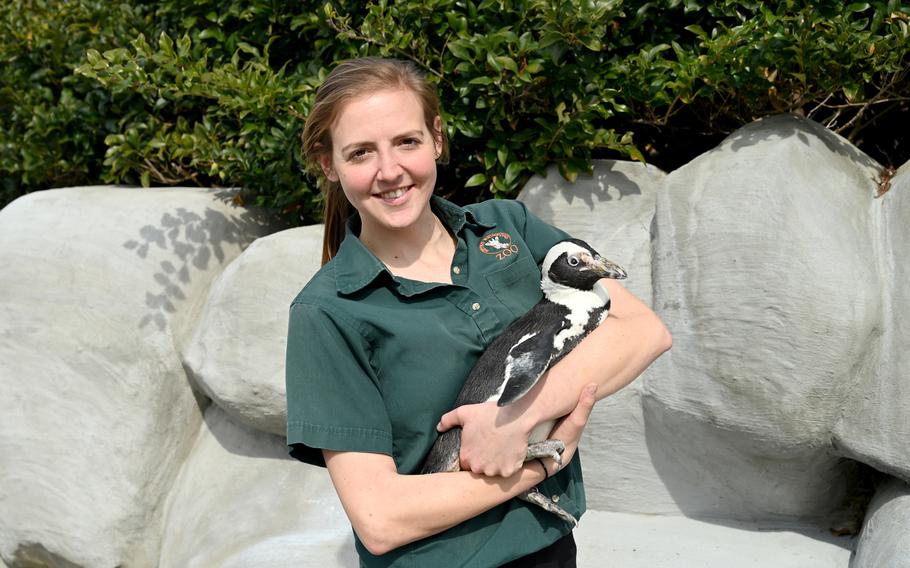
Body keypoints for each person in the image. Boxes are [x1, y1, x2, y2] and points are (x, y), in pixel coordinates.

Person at [285, 56, 671, 568]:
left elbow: (643, 330)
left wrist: (517, 418)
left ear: (437, 138)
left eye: (407, 141)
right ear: (329, 165)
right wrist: (539, 462)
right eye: (361, 153)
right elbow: (380, 520)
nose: (390, 170)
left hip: (550, 547)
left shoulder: (505, 228)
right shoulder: (327, 312)